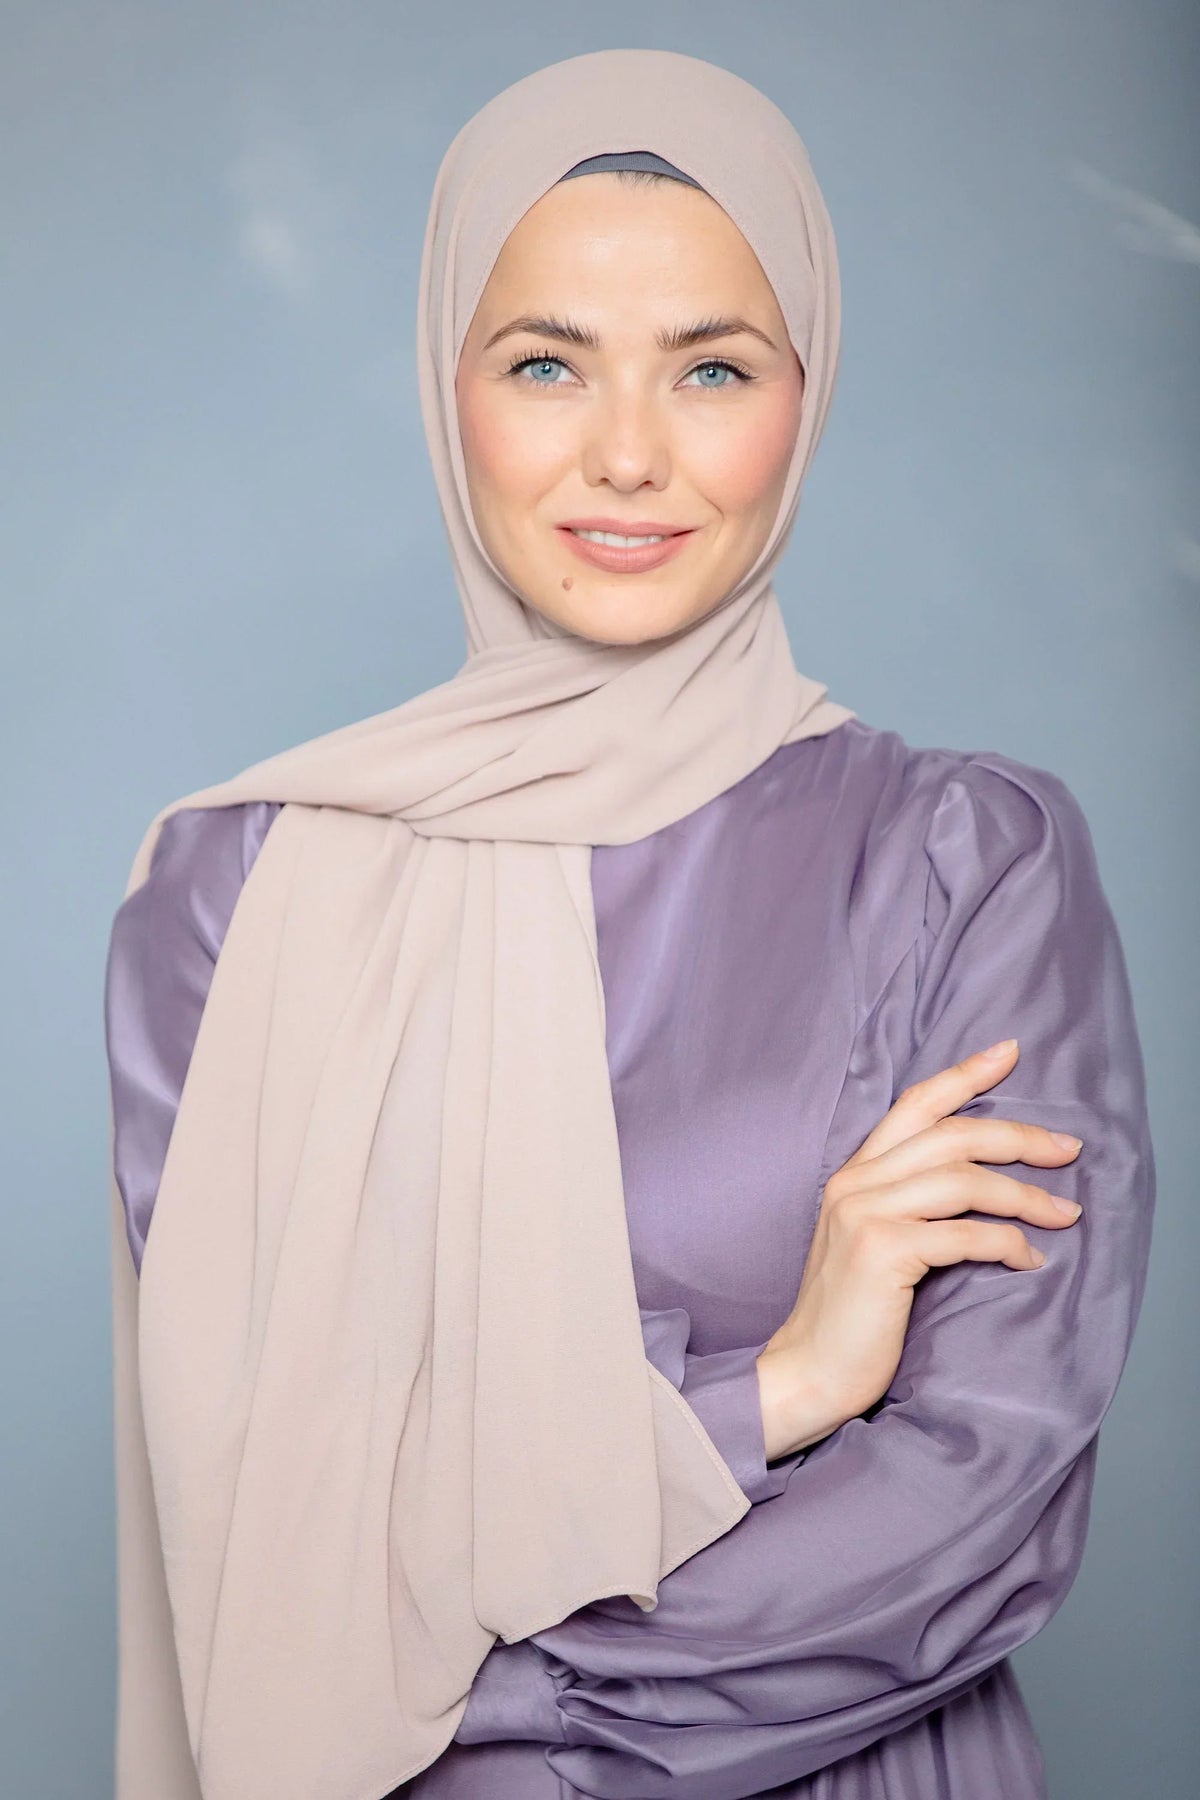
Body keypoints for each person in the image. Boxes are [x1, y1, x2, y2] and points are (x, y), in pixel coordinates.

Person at [102, 48, 1156, 1800]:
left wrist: (452, 1683)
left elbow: (983, 1495)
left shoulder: (967, 859)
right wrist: (784, 1387)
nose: (627, 454)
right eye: (546, 363)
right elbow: (277, 1506)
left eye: (712, 367)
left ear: (806, 397)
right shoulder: (232, 897)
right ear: (447, 388)